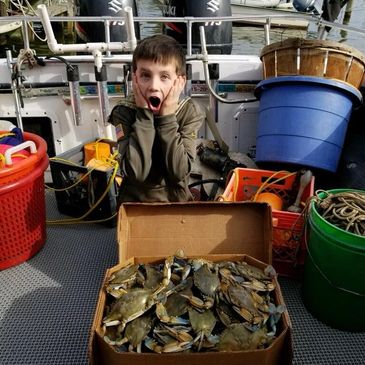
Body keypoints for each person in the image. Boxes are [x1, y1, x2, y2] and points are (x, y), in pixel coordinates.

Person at [109, 34, 205, 202]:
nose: (154, 86)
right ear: (135, 78)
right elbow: (135, 174)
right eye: (146, 75)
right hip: (135, 203)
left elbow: (179, 172)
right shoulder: (123, 112)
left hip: (176, 202)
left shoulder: (189, 112)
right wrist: (144, 115)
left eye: (164, 77)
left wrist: (167, 117)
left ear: (180, 82)